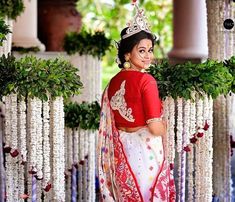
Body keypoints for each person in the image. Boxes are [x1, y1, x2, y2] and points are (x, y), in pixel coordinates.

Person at [97, 2, 176, 202]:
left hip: (122, 151)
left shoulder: (112, 83)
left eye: (150, 50)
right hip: (145, 151)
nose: (148, 56)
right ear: (127, 54)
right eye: (142, 51)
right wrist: (169, 125)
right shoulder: (146, 81)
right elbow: (155, 128)